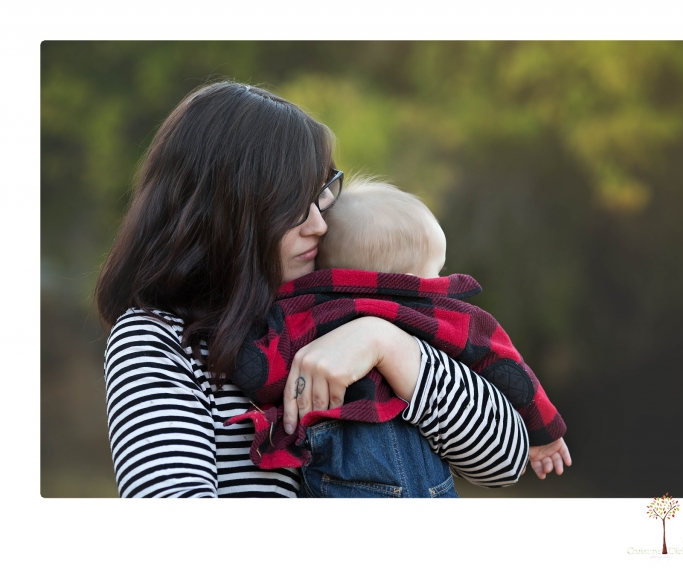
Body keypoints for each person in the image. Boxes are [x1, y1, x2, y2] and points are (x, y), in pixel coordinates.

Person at [96, 81, 530, 498]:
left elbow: (506, 460)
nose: (319, 224)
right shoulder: (159, 340)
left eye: (319, 196)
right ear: (227, 210)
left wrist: (383, 342)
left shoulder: (345, 312)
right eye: (292, 204)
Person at [229, 177, 571, 492]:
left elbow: (261, 370)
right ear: (410, 280)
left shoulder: (301, 307)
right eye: (435, 271)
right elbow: (506, 368)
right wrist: (545, 430)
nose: (437, 282)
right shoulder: (440, 313)